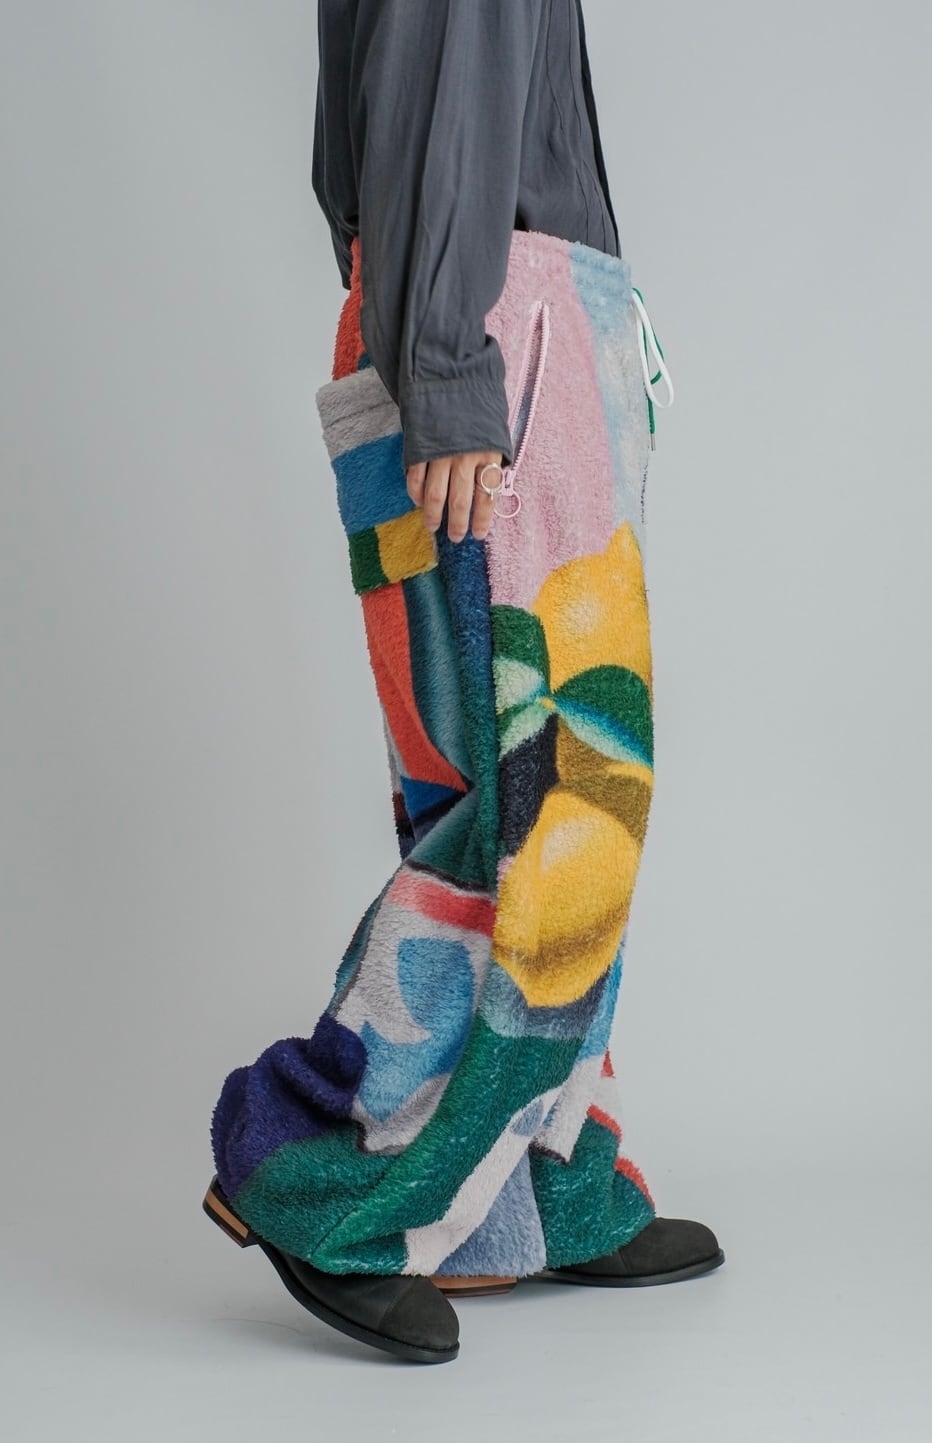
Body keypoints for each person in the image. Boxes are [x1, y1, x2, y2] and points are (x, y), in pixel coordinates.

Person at [202, 0, 723, 1366]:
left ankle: (520, 1194)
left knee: (510, 798)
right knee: (545, 803)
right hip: (497, 328)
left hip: (506, 314)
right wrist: (442, 359)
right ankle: (321, 1171)